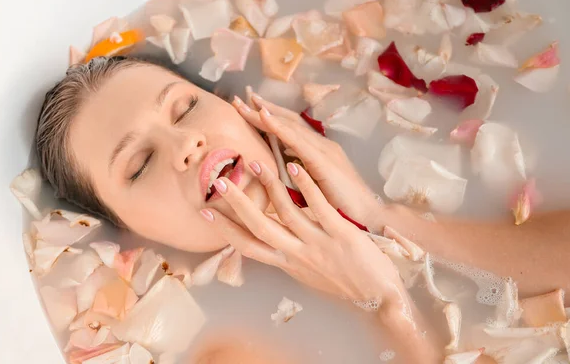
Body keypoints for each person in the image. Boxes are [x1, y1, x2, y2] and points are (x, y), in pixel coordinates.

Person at [35, 56, 570, 363]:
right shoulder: (230, 350)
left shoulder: (373, 203)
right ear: (132, 239)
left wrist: (380, 218)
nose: (185, 143)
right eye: (139, 163)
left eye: (186, 107)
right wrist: (382, 303)